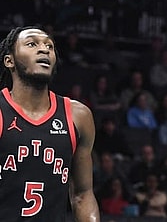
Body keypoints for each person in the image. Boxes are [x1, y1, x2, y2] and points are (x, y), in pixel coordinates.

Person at [0, 26, 100, 221]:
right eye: (32, 44)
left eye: (50, 46)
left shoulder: (78, 116)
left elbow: (82, 195)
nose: (44, 49)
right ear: (9, 61)